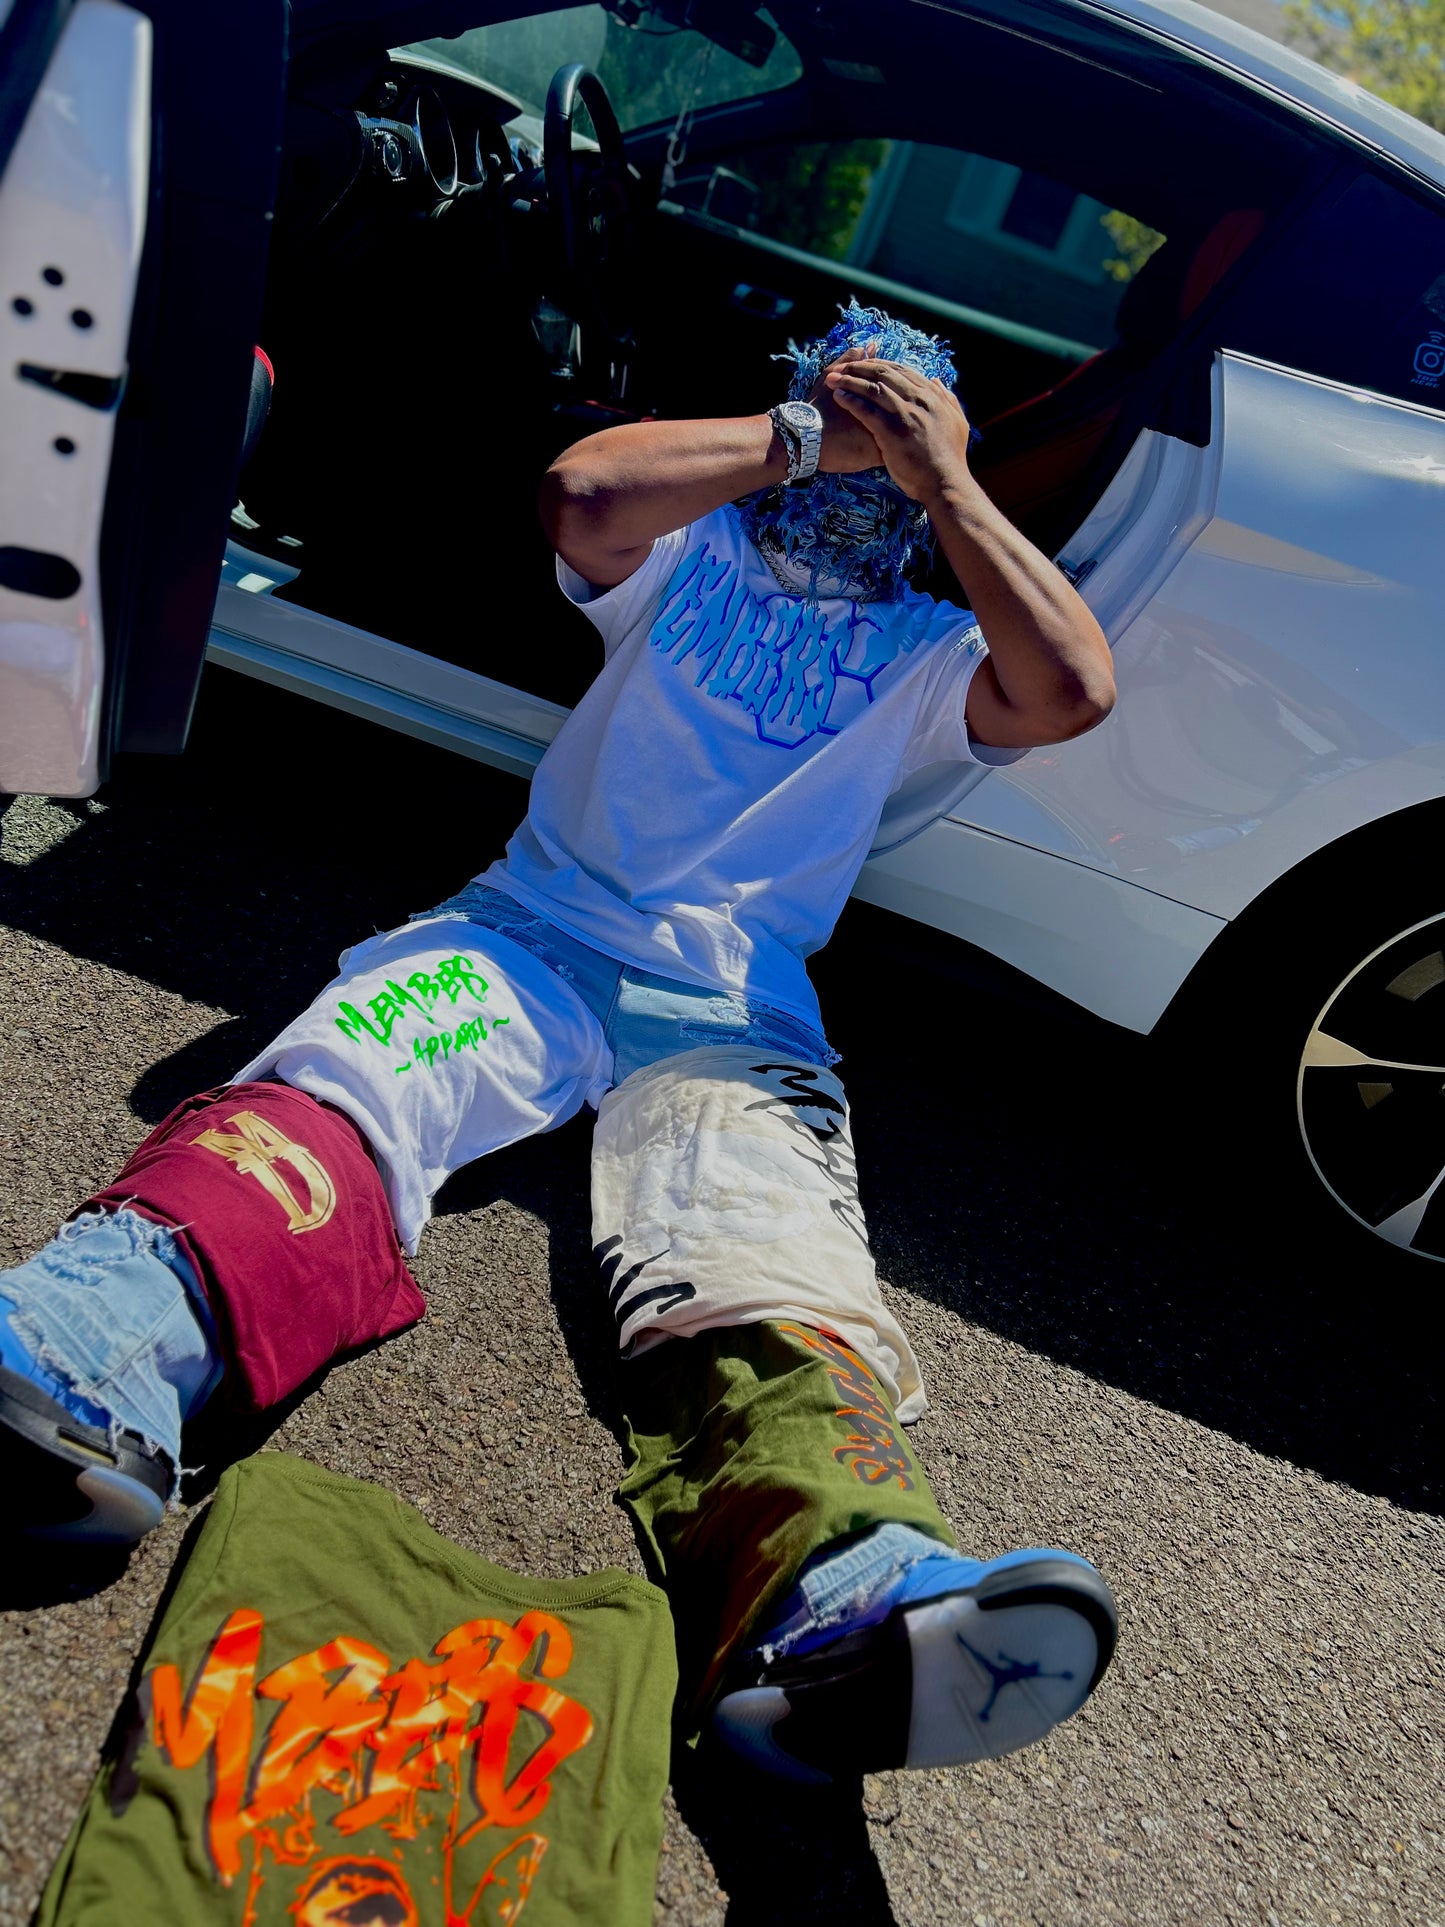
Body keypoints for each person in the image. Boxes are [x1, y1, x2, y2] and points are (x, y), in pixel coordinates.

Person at [0, 303, 1120, 1787]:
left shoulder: (930, 646)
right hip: (524, 936)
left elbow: (1072, 689)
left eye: (894, 430)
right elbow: (581, 495)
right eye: (842, 411)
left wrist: (949, 488)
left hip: (731, 1009)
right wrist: (802, 439)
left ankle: (841, 1597)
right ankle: (93, 1351)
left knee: (766, 1251)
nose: (862, 461)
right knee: (344, 1086)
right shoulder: (695, 552)